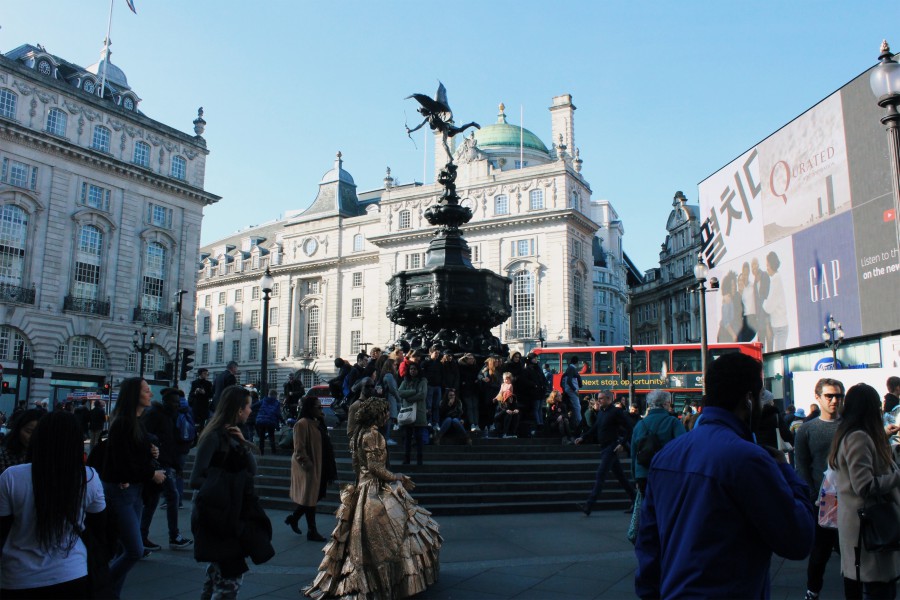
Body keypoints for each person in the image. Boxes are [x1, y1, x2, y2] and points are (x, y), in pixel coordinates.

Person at [635, 352, 815, 599]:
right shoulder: (750, 459)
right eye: (761, 399)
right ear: (749, 400)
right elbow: (798, 539)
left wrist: (650, 592)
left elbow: (649, 543)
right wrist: (785, 469)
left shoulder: (666, 456)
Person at [303, 398, 441, 599]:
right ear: (378, 415)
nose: (387, 416)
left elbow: (361, 466)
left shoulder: (357, 434)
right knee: (394, 535)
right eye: (385, 412)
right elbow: (376, 467)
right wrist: (398, 477)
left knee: (363, 538)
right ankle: (384, 584)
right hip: (375, 491)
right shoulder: (373, 435)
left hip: (362, 487)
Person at [0, 411, 106, 598]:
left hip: (18, 576)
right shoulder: (88, 477)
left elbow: (2, 527)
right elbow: (101, 525)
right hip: (72, 572)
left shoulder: (12, 476)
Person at [190, 385, 273, 599]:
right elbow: (196, 479)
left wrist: (242, 444)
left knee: (221, 569)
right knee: (230, 573)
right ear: (238, 409)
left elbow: (252, 470)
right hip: (217, 513)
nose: (250, 410)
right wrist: (229, 487)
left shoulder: (236, 434)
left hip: (232, 512)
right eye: (247, 406)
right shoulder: (213, 436)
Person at [828, 383, 900, 598]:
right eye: (877, 405)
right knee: (878, 588)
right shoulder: (858, 437)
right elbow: (864, 485)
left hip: (863, 526)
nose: (880, 409)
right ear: (868, 408)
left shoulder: (851, 434)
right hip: (870, 528)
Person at [100, 378, 167, 598]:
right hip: (122, 493)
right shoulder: (123, 423)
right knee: (134, 550)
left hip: (135, 492)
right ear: (134, 395)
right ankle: (98, 588)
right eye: (147, 391)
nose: (151, 394)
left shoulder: (137, 422)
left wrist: (151, 452)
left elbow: (134, 454)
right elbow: (121, 462)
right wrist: (152, 474)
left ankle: (111, 593)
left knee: (126, 548)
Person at [794, 377, 845, 600]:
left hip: (849, 496)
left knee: (850, 552)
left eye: (838, 396)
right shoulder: (806, 430)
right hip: (821, 500)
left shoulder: (849, 426)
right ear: (818, 397)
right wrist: (814, 496)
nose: (834, 400)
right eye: (829, 396)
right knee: (820, 553)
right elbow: (802, 466)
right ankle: (812, 591)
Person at [139, 388, 193, 552]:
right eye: (174, 402)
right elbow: (145, 436)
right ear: (166, 401)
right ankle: (172, 536)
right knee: (168, 496)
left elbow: (172, 443)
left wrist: (176, 464)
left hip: (165, 462)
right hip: (157, 463)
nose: (177, 405)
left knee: (158, 499)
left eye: (178, 402)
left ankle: (144, 536)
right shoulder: (155, 414)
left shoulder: (170, 416)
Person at [286, 395, 337, 542]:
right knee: (311, 498)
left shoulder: (317, 422)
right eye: (318, 407)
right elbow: (299, 449)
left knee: (314, 496)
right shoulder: (302, 424)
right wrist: (308, 465)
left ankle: (294, 518)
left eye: (321, 407)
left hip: (320, 465)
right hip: (309, 468)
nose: (321, 409)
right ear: (310, 408)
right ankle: (311, 530)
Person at [575, 390, 635, 515]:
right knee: (621, 478)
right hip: (605, 447)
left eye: (601, 398)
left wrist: (622, 443)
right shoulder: (602, 413)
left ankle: (589, 506)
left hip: (611, 447)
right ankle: (636, 500)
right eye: (598, 398)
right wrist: (583, 437)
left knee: (600, 475)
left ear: (609, 399)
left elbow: (630, 428)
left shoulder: (616, 412)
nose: (599, 401)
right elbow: (596, 427)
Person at [630, 390, 684, 495]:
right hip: (667, 472)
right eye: (669, 402)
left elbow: (633, 453)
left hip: (643, 473)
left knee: (647, 507)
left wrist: (636, 475)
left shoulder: (639, 425)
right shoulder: (673, 422)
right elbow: (683, 447)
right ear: (664, 404)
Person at [398, 361, 428, 466]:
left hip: (419, 413)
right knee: (407, 438)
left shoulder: (423, 381)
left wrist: (409, 398)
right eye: (411, 369)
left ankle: (419, 460)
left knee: (419, 439)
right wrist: (414, 391)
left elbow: (422, 395)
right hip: (408, 413)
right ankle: (407, 459)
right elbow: (400, 392)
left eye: (414, 369)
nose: (412, 371)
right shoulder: (405, 381)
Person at [0, 409, 41, 474]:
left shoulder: (46, 457)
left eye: (39, 433)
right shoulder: (4, 456)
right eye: (29, 431)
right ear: (18, 430)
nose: (33, 437)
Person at [762, 251, 789, 351]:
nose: (767, 268)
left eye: (767, 265)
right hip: (778, 326)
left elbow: (769, 307)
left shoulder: (775, 280)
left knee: (780, 356)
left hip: (780, 327)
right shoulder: (776, 279)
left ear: (772, 265)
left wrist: (764, 302)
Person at [254, 389, 283, 456]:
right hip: (271, 421)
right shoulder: (277, 403)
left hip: (261, 420)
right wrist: (282, 421)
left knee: (261, 437)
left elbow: (254, 406)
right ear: (275, 395)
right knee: (271, 436)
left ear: (268, 394)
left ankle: (261, 451)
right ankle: (273, 451)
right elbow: (278, 414)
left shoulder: (263, 400)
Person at [457, 353, 480, 433]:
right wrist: (464, 357)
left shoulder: (475, 367)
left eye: (472, 358)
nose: (471, 360)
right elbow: (459, 361)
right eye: (469, 358)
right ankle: (472, 424)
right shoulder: (463, 367)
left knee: (475, 407)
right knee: (469, 407)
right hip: (466, 390)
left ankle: (476, 424)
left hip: (474, 390)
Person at [422, 347, 443, 429]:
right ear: (430, 353)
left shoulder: (439, 363)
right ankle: (429, 421)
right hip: (430, 386)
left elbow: (442, 374)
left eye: (438, 353)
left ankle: (436, 422)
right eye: (435, 353)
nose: (437, 355)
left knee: (436, 405)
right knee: (429, 405)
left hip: (437, 386)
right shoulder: (426, 363)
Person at [493, 372, 520, 438]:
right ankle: (504, 432)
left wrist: (516, 410)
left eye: (507, 379)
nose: (505, 381)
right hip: (501, 408)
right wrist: (496, 398)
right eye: (504, 379)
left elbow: (511, 394)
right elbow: (500, 392)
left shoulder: (510, 386)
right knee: (508, 414)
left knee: (516, 415)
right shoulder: (502, 385)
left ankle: (512, 432)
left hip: (507, 401)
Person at [562, 356, 584, 428]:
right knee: (577, 407)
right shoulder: (572, 368)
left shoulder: (570, 368)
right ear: (577, 362)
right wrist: (575, 390)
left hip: (571, 390)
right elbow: (569, 381)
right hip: (572, 391)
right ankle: (580, 423)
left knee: (576, 407)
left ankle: (577, 422)